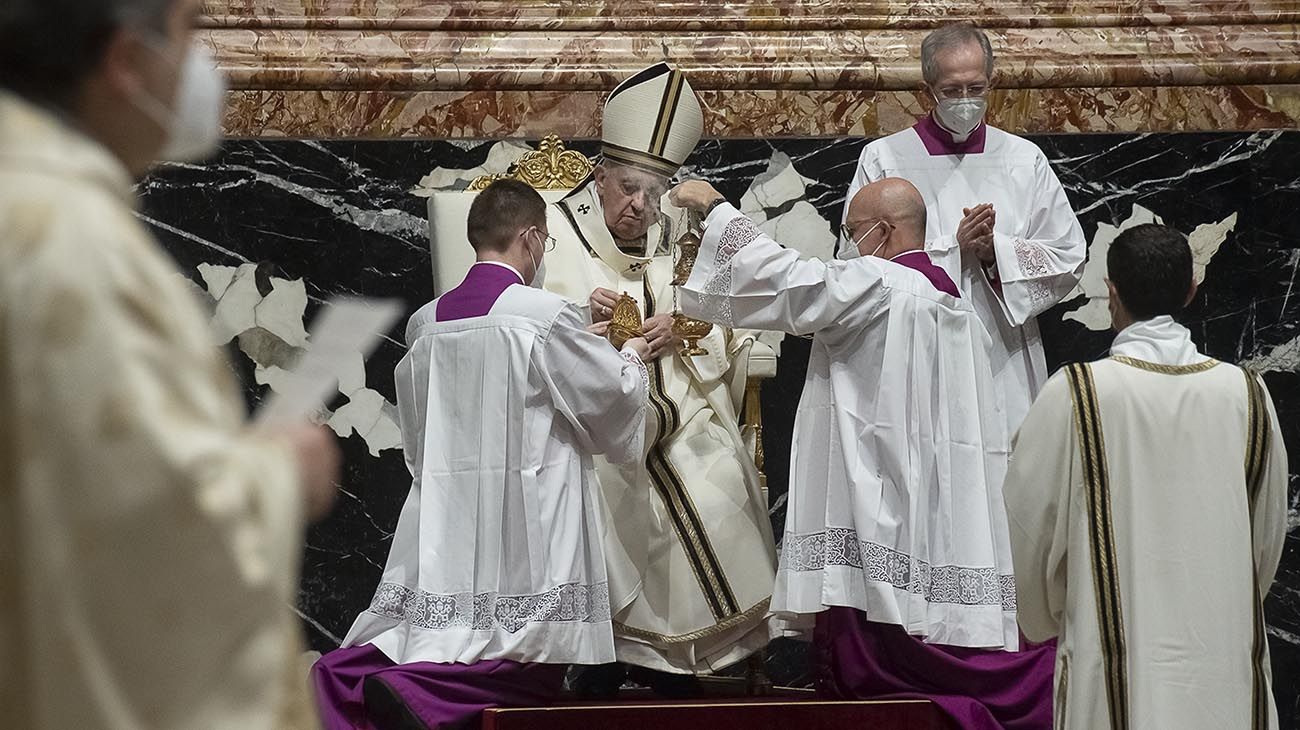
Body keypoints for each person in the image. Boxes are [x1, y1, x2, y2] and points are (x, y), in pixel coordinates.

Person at [0, 1, 341, 728]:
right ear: (124, 62)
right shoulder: (73, 246)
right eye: (191, 28)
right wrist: (284, 472)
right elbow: (150, 529)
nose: (206, 61)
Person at [670, 177, 1055, 729]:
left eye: (853, 232)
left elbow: (786, 280)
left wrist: (715, 207)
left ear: (886, 230)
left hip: (875, 469)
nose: (849, 245)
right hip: (931, 483)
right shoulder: (956, 304)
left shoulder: (879, 281)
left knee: (875, 597)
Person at [312, 179, 653, 729]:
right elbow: (609, 398)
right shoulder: (543, 315)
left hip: (450, 511)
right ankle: (410, 694)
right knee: (529, 659)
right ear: (532, 238)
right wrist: (631, 354)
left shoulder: (426, 322)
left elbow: (419, 433)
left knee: (438, 635)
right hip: (530, 510)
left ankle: (347, 678)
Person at [543, 62, 779, 689]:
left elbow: (733, 318)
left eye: (653, 192)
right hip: (592, 420)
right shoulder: (550, 232)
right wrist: (579, 321)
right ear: (599, 176)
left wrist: (687, 327)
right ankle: (607, 651)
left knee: (716, 472)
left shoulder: (683, 231)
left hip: (681, 401)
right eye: (627, 189)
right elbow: (521, 323)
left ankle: (683, 657)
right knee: (611, 482)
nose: (639, 207)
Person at [1003, 223, 1288, 730]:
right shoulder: (1246, 394)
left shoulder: (1077, 393)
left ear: (1110, 292)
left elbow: (1030, 526)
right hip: (1221, 655)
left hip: (1110, 658)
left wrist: (1051, 614)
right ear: (1192, 290)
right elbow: (1265, 540)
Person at [845, 22, 1086, 440]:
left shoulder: (1023, 159)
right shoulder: (883, 158)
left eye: (976, 88)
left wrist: (996, 253)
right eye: (952, 90)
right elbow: (855, 263)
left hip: (1002, 352)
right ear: (927, 91)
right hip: (916, 348)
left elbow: (1068, 254)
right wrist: (953, 250)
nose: (965, 100)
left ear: (992, 82)